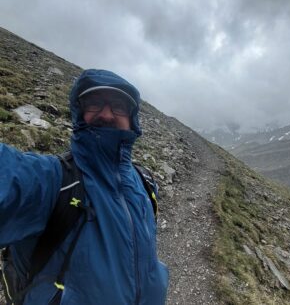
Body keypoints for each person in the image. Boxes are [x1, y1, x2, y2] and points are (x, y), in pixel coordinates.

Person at [0, 69, 169, 304]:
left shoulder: (144, 183)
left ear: (133, 119)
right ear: (79, 112)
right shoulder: (52, 181)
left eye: (119, 106)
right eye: (95, 103)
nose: (107, 114)